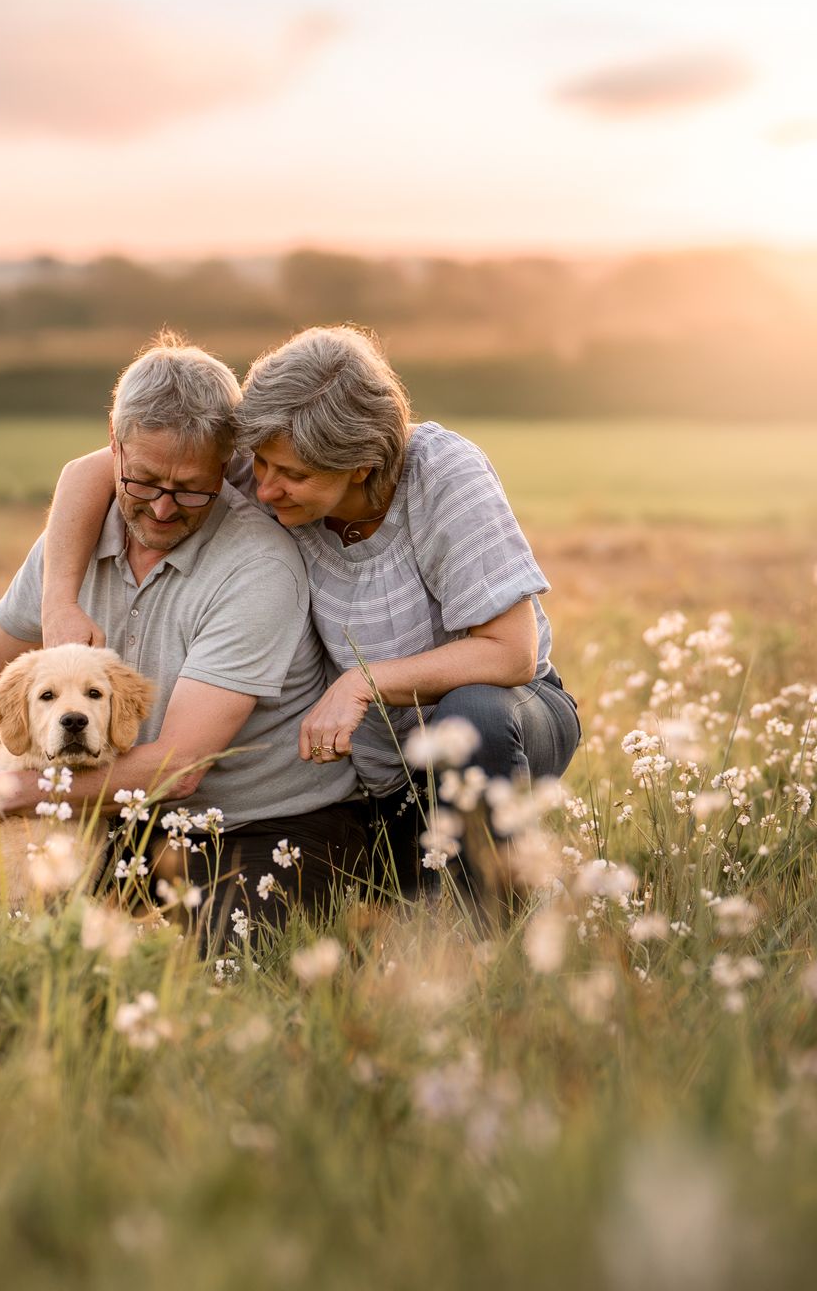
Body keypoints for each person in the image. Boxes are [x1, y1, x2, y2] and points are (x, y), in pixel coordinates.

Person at [0, 333, 361, 941]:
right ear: (112, 444)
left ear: (228, 467)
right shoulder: (78, 533)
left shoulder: (258, 568)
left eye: (191, 488)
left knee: (207, 955)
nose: (163, 509)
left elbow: (181, 768)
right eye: (143, 481)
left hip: (253, 821)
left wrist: (6, 789)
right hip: (110, 806)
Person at [39, 324, 579, 902]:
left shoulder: (443, 476)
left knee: (472, 719)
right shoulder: (275, 458)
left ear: (361, 465)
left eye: (294, 476)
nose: (264, 490)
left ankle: (496, 918)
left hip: (507, 711)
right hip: (379, 767)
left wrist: (364, 682)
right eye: (260, 464)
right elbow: (95, 468)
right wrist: (59, 603)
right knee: (405, 916)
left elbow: (512, 653)